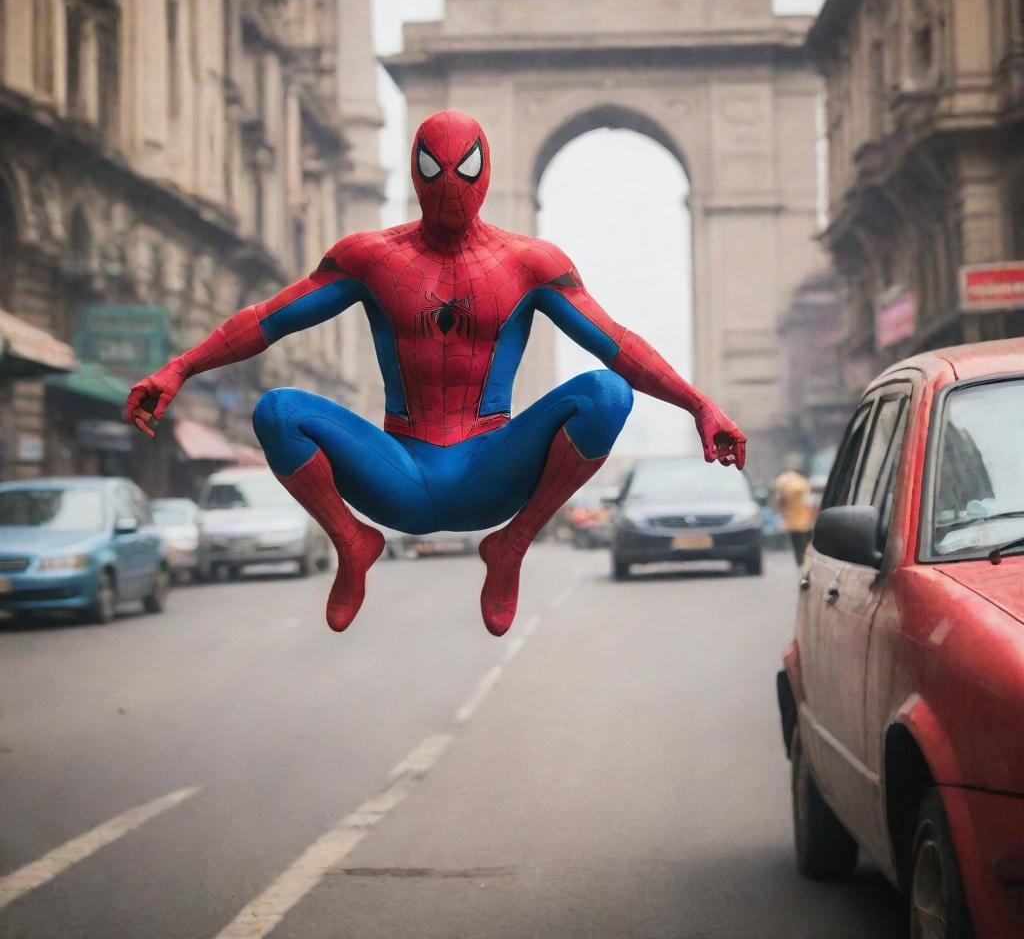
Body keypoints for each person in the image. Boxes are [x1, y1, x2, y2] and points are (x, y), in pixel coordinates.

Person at [125, 111, 746, 636]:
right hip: (400, 473)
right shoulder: (370, 256)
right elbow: (269, 319)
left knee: (606, 394)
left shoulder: (530, 263)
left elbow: (617, 346)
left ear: (487, 169)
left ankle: (512, 545)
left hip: (491, 472)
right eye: (432, 170)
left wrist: (698, 405)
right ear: (415, 168)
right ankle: (352, 542)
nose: (450, 186)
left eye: (465, 170)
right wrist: (179, 369)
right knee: (277, 411)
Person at [773, 458, 814, 564]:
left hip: (791, 520)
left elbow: (779, 501)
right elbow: (808, 501)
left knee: (797, 543)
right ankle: (804, 561)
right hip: (804, 519)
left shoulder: (783, 482)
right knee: (804, 543)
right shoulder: (802, 483)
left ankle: (800, 561)